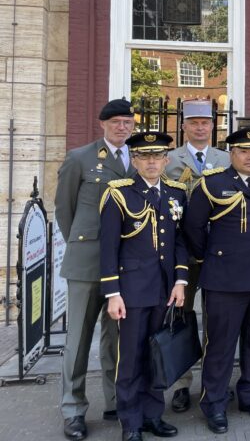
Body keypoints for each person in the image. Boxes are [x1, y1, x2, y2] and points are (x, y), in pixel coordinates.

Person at [184, 128, 250, 434]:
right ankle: (214, 403)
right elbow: (193, 229)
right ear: (231, 154)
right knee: (220, 345)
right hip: (225, 281)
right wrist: (212, 260)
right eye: (244, 151)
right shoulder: (212, 183)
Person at [55, 98, 136, 441]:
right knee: (78, 339)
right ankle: (73, 409)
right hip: (88, 260)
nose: (122, 127)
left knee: (117, 338)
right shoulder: (80, 158)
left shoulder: (137, 157)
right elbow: (64, 209)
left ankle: (116, 401)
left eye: (127, 122)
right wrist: (83, 242)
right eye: (116, 122)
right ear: (102, 123)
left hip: (124, 263)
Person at [100, 131, 188, 441]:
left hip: (165, 289)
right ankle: (131, 422)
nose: (151, 162)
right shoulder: (119, 194)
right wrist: (113, 294)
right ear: (134, 161)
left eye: (157, 156)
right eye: (144, 157)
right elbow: (108, 248)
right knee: (131, 359)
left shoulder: (177, 193)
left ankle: (153, 416)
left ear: (167, 160)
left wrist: (180, 281)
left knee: (157, 355)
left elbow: (180, 241)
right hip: (132, 291)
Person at [164, 99, 230, 414]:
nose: (200, 127)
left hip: (218, 254)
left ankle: (214, 382)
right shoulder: (169, 159)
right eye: (194, 123)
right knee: (182, 318)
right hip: (184, 254)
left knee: (218, 322)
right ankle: (180, 384)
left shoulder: (226, 158)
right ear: (185, 126)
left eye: (205, 122)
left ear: (212, 125)